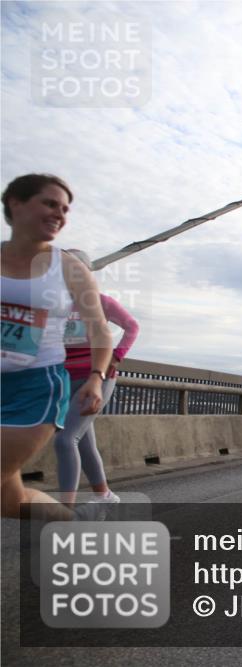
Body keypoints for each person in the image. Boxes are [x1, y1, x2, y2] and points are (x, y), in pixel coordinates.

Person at [1, 174, 113, 521]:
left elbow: (100, 330)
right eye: (50, 203)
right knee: (9, 500)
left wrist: (96, 378)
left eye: (65, 209)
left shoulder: (68, 268)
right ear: (15, 204)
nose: (60, 214)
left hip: (36, 386)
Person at [54, 249, 139, 505]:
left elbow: (132, 326)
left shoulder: (101, 302)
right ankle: (104, 496)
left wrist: (117, 356)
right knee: (82, 441)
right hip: (67, 378)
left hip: (98, 377)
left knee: (65, 439)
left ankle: (64, 510)